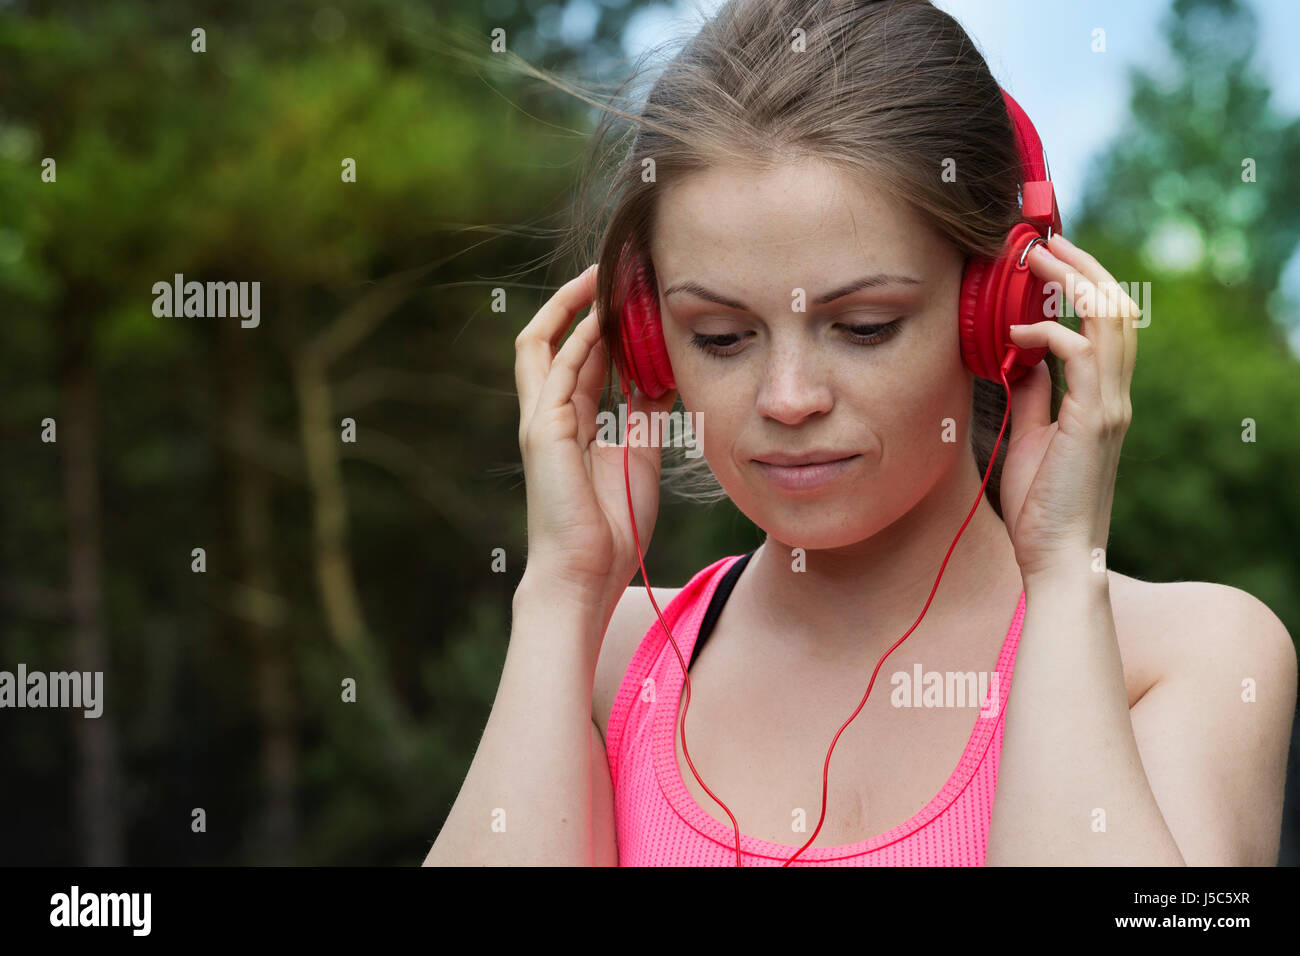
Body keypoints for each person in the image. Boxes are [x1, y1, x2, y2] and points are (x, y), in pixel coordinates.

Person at [425, 0, 1295, 866]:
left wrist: (1066, 580)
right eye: (720, 338)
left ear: (997, 311)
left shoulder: (1192, 656)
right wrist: (561, 592)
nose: (789, 397)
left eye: (866, 325)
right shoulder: (604, 657)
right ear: (650, 343)